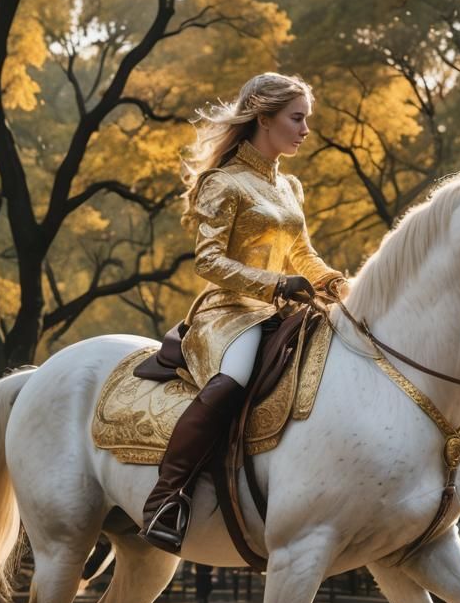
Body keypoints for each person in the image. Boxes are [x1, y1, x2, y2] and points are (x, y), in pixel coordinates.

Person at [141, 72, 346, 551]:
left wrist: (335, 282)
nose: (305, 130)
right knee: (233, 379)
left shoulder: (289, 187)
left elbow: (303, 256)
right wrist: (276, 284)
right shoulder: (223, 183)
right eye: (297, 119)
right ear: (265, 117)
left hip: (286, 309)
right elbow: (207, 261)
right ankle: (166, 497)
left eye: (306, 120)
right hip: (230, 313)